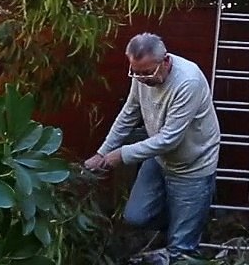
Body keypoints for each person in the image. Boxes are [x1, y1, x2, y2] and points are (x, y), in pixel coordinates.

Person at [85, 33, 220, 259]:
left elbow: (170, 139)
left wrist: (122, 154)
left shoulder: (188, 82)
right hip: (159, 158)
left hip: (192, 165)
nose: (140, 78)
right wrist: (103, 152)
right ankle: (188, 221)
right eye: (134, 72)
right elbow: (128, 114)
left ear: (165, 61)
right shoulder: (141, 75)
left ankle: (188, 229)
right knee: (136, 216)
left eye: (146, 72)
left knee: (181, 250)